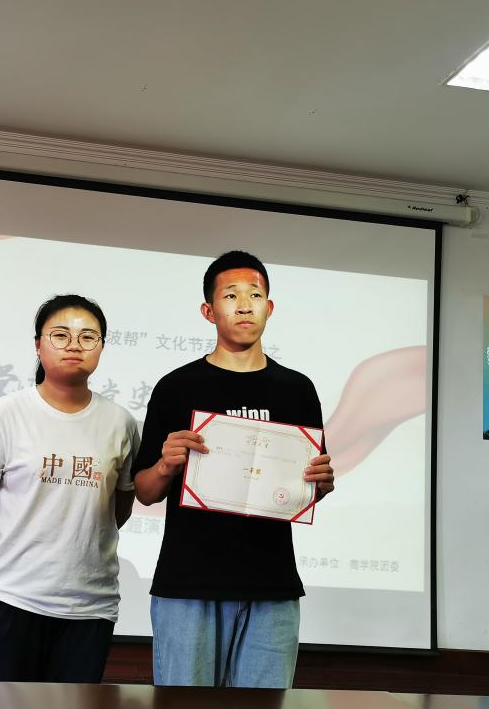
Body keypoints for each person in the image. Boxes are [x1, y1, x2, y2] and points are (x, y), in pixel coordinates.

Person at [132, 250, 335, 689]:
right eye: (230, 296)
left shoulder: (298, 390)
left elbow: (308, 486)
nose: (244, 305)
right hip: (188, 584)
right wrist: (166, 464)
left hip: (272, 585)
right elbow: (144, 491)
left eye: (255, 295)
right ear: (209, 311)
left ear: (270, 307)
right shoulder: (177, 386)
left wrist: (320, 484)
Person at [0, 294, 139, 683]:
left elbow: (118, 508)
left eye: (88, 337)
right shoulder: (6, 413)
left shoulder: (120, 422)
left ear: (102, 347)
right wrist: (16, 548)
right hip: (10, 598)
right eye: (60, 335)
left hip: (89, 606)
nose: (74, 345)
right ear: (38, 345)